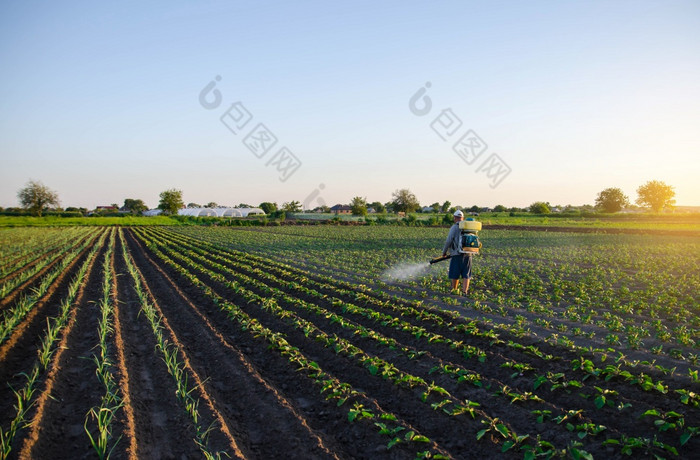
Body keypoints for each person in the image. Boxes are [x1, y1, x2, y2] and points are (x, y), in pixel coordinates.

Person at [442, 210, 473, 295]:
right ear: (462, 218)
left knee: (455, 273)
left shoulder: (454, 227)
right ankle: (465, 292)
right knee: (466, 274)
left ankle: (454, 290)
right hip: (468, 254)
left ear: (455, 218)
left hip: (457, 254)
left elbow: (448, 241)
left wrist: (444, 252)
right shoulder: (469, 227)